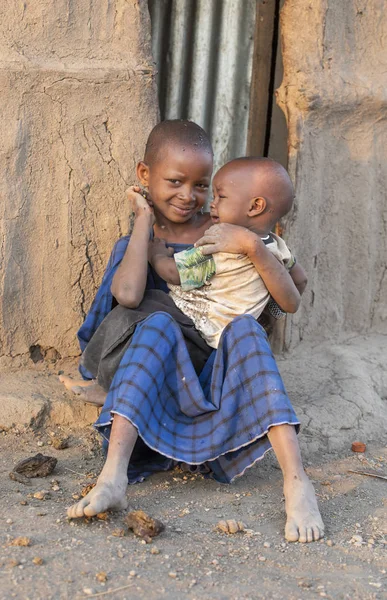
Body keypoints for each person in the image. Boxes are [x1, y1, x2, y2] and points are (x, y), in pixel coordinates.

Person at [62, 119, 324, 543]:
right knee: (159, 321)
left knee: (247, 331)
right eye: (175, 181)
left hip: (214, 368)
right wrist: (144, 223)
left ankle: (297, 482)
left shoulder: (227, 234)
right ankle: (113, 476)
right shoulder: (142, 239)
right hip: (159, 374)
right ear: (144, 176)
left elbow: (292, 292)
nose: (190, 196)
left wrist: (254, 247)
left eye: (204, 186)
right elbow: (127, 296)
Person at [149, 156, 300, 349]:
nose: (213, 203)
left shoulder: (222, 244)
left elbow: (175, 274)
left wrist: (156, 255)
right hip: (236, 341)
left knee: (151, 303)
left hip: (199, 330)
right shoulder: (279, 247)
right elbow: (300, 280)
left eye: (221, 196)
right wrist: (271, 312)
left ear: (255, 207)